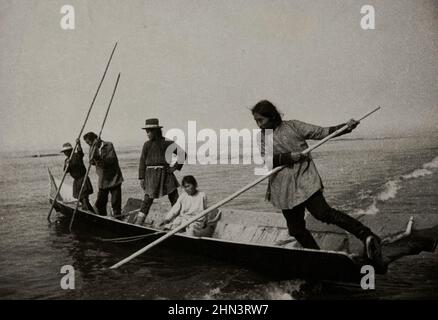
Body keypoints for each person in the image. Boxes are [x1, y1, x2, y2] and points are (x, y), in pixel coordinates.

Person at [251, 100, 384, 269]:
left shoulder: (293, 126)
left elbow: (322, 132)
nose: (258, 124)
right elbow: (267, 161)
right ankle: (317, 257)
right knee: (296, 230)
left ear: (272, 116)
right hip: (283, 188)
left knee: (323, 213)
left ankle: (366, 236)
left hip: (305, 180)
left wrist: (346, 127)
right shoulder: (262, 137)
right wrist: (288, 157)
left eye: (260, 120)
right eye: (256, 121)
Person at [135, 118, 187, 225]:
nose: (147, 134)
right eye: (146, 132)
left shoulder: (167, 143)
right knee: (147, 200)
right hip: (150, 176)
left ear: (156, 131)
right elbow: (142, 161)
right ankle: (139, 222)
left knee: (174, 198)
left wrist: (174, 167)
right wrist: (141, 178)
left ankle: (181, 221)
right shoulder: (146, 145)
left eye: (149, 132)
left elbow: (182, 153)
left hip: (165, 175)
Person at [83, 132, 124, 218]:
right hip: (103, 179)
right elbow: (93, 162)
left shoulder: (109, 145)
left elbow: (110, 160)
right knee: (101, 202)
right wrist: (92, 160)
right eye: (87, 144)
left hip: (114, 178)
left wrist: (97, 158)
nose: (89, 145)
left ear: (95, 139)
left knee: (115, 202)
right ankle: (102, 217)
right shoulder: (92, 148)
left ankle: (117, 217)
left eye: (89, 142)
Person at [60, 140, 94, 212]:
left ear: (70, 150)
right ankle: (92, 212)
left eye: (66, 151)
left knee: (84, 198)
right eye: (64, 152)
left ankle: (88, 211)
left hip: (83, 179)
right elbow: (65, 171)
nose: (65, 153)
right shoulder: (67, 160)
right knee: (81, 199)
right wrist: (67, 164)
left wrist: (79, 144)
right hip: (77, 181)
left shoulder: (77, 155)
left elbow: (81, 152)